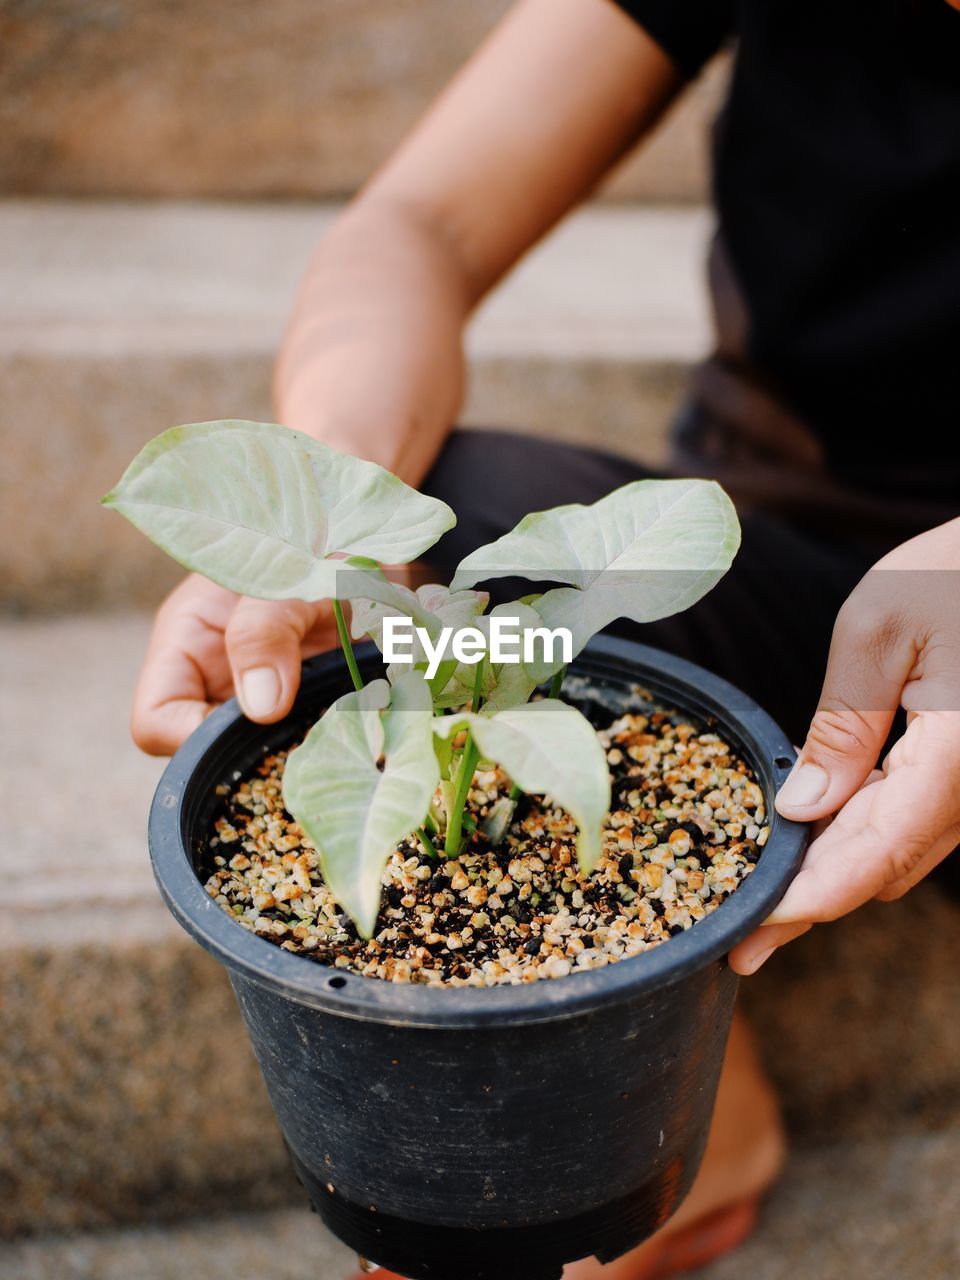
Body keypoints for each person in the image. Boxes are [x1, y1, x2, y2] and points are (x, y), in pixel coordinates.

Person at [129, 2, 960, 1275]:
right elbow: (425, 224)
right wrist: (335, 513)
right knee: (451, 517)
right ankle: (685, 1106)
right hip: (773, 555)